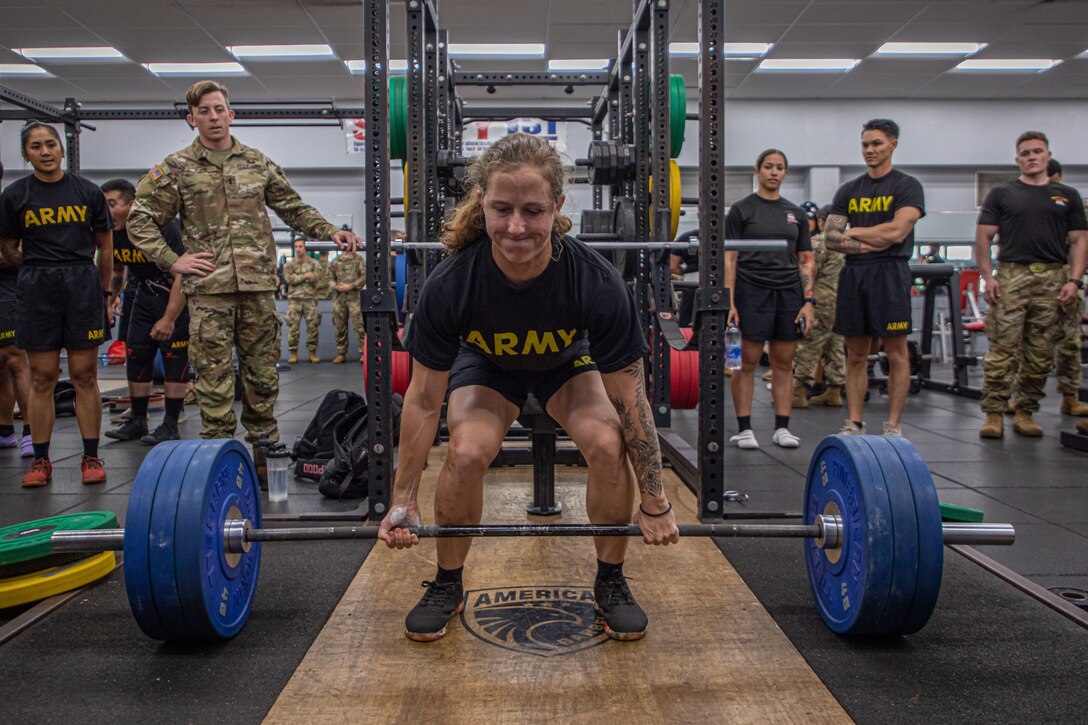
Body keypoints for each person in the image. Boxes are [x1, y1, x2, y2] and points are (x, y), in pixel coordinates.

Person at [376, 133, 678, 643]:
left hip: (566, 362)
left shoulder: (594, 281)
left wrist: (655, 498)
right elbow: (425, 401)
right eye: (502, 209)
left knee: (606, 442)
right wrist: (403, 497)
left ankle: (611, 581)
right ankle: (447, 584)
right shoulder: (451, 284)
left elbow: (631, 400)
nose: (516, 227)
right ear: (483, 205)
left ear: (558, 207)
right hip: (488, 365)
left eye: (533, 211)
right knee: (468, 452)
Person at [127, 80, 360, 442]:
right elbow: (138, 219)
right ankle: (219, 459)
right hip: (209, 290)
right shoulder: (176, 168)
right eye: (204, 112)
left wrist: (330, 231)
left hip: (257, 287)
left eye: (219, 109)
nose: (213, 117)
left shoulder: (256, 162)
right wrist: (173, 260)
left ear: (231, 114)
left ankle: (264, 458)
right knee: (213, 379)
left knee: (262, 375)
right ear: (192, 119)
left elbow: (293, 207)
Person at [0, 121, 113, 486]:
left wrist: (105, 292)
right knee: (42, 377)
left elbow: (105, 247)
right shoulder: (15, 196)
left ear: (62, 151)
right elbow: (8, 247)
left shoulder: (87, 192)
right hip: (37, 289)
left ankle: (91, 457)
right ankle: (41, 461)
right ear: (26, 154)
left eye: (51, 144)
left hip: (81, 286)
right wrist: (36, 268)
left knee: (84, 375)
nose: (45, 151)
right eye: (36, 146)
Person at [976, 133, 1088, 438]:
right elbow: (984, 237)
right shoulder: (1001, 194)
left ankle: (1025, 411)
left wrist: (1075, 281)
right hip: (1011, 276)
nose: (1031, 156)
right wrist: (988, 277)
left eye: (1037, 151)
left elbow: (1079, 241)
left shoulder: (1067, 195)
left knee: (1040, 354)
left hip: (1053, 279)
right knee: (1002, 350)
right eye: (1025, 153)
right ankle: (994, 414)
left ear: (1048, 156)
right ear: (1017, 160)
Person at [824, 118, 925, 438]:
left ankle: (893, 424)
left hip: (890, 274)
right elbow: (830, 237)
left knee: (896, 352)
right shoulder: (849, 189)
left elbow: (897, 233)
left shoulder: (906, 186)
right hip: (854, 276)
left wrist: (855, 234)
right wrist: (872, 240)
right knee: (855, 353)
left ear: (893, 144)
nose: (869, 150)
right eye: (865, 144)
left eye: (877, 144)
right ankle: (854, 421)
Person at [723, 149, 815, 450]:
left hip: (788, 291)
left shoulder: (795, 213)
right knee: (745, 362)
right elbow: (730, 258)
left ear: (785, 173)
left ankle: (782, 428)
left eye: (779, 167)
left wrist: (808, 301)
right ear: (758, 170)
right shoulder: (740, 210)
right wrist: (730, 301)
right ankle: (745, 429)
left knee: (784, 362)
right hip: (751, 289)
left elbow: (805, 259)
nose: (774, 172)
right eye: (768, 167)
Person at [101, 179, 191, 445]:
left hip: (174, 296)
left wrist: (169, 318)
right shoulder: (115, 231)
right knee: (136, 352)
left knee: (174, 357)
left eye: (112, 204)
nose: (106, 210)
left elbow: (182, 277)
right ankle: (138, 421)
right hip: (142, 294)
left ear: (131, 204)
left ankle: (170, 424)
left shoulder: (166, 228)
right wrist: (110, 299)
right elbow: (117, 270)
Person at [1004, 159, 1088, 418]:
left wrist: (1074, 280)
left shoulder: (1073, 204)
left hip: (1066, 280)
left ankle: (1070, 396)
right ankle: (1017, 398)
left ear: (1058, 177)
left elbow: (1080, 243)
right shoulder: (1019, 203)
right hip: (1029, 279)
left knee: (1069, 342)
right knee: (1021, 341)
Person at [792, 204, 845, 408]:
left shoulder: (819, 243)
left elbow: (808, 272)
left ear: (822, 222)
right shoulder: (850, 242)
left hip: (821, 302)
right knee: (836, 346)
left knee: (809, 345)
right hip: (842, 302)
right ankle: (834, 391)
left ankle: (798, 392)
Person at [282, 238, 324, 364]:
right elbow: (290, 280)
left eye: (300, 246)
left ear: (305, 247)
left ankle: (312, 353)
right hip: (294, 300)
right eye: (296, 246)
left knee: (312, 327)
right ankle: (293, 353)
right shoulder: (289, 264)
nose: (298, 249)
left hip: (310, 299)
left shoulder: (314, 263)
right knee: (292, 328)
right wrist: (306, 275)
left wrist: (297, 276)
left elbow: (317, 279)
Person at [328, 245, 366, 364]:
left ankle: (363, 352)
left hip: (355, 298)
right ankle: (341, 353)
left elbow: (364, 276)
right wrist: (336, 286)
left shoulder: (358, 259)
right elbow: (329, 278)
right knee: (340, 326)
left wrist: (351, 286)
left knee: (359, 326)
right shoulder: (334, 261)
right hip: (339, 298)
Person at [668, 228, 699, 327]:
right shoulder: (729, 236)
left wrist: (683, 271)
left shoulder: (685, 237)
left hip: (692, 280)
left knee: (686, 321)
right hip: (722, 281)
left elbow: (672, 266)